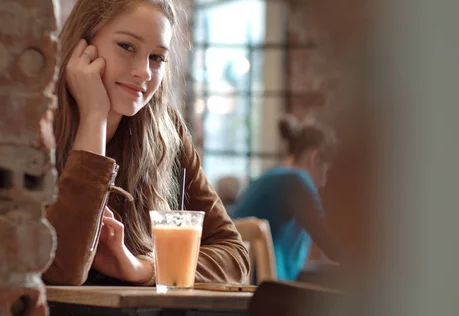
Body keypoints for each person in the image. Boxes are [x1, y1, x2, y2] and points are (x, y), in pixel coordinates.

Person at [42, 0, 249, 286]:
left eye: (157, 58)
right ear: (82, 45)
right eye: (126, 46)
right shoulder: (36, 123)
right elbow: (62, 271)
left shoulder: (165, 130)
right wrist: (94, 116)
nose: (144, 71)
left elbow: (235, 255)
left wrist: (143, 268)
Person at [232, 118, 341, 281]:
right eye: (327, 171)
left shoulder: (272, 177)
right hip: (262, 289)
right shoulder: (296, 181)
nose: (323, 182)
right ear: (315, 158)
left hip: (244, 285)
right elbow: (331, 244)